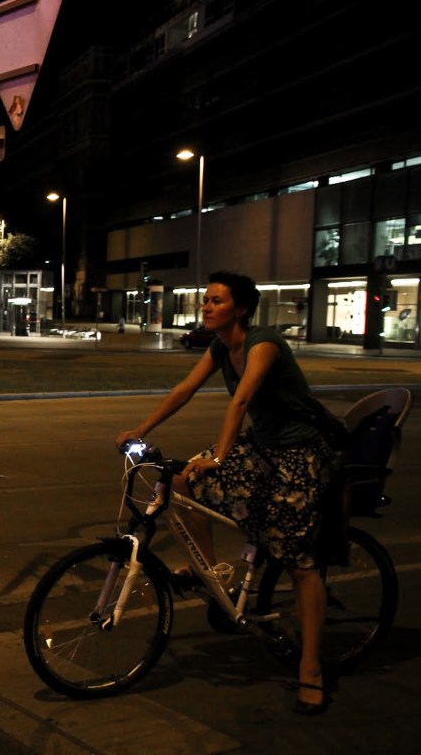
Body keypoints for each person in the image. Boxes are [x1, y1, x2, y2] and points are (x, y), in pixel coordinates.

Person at [114, 271, 336, 715]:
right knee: (181, 481)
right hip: (263, 447)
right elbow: (185, 390)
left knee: (299, 563)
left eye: (217, 301)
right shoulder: (220, 347)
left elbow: (241, 401)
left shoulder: (263, 343)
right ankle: (209, 572)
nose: (207, 306)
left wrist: (219, 455)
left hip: (299, 454)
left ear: (241, 309)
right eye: (206, 300)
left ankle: (311, 669)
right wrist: (141, 429)